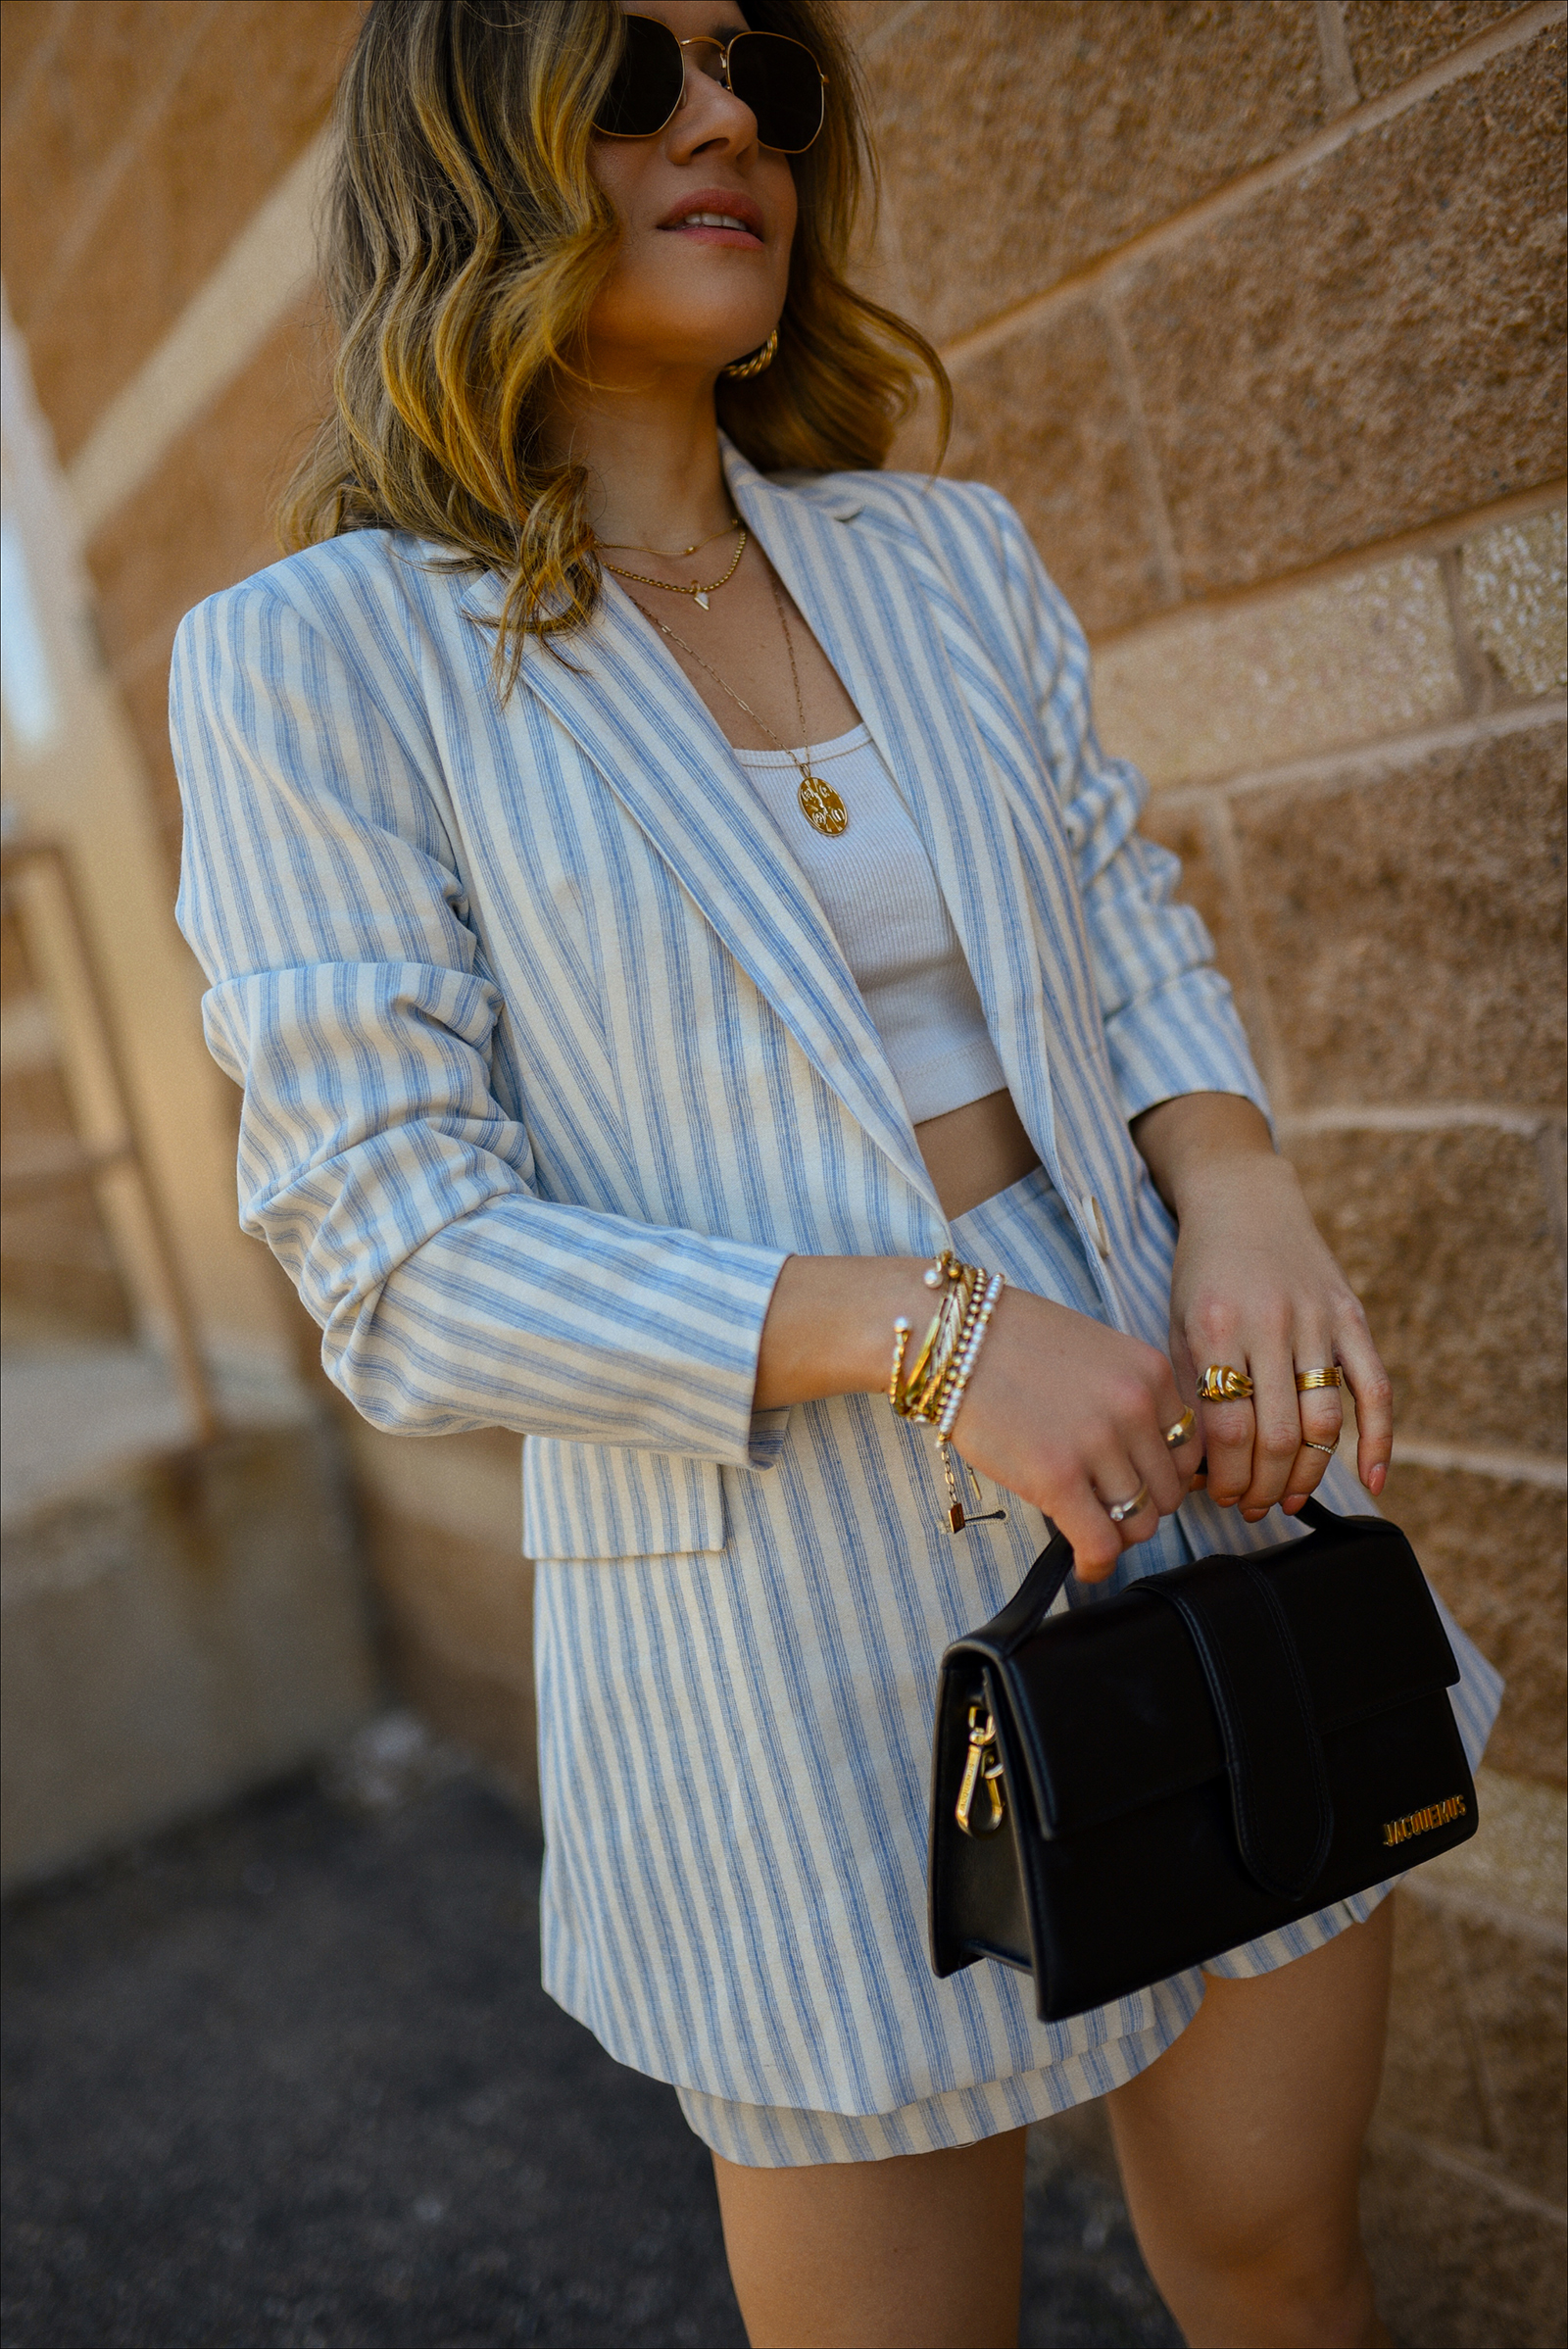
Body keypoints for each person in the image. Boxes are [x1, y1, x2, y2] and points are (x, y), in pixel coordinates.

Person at [170, 4, 1499, 2343]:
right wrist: (924, 1326)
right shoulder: (319, 661)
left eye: (761, 72)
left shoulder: (939, 553)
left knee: (1286, 2260)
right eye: (632, 72)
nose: (723, 120)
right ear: (468, 146)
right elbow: (394, 1256)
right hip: (770, 1623)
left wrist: (1239, 1176)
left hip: (1196, 1480)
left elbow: (1109, 905)